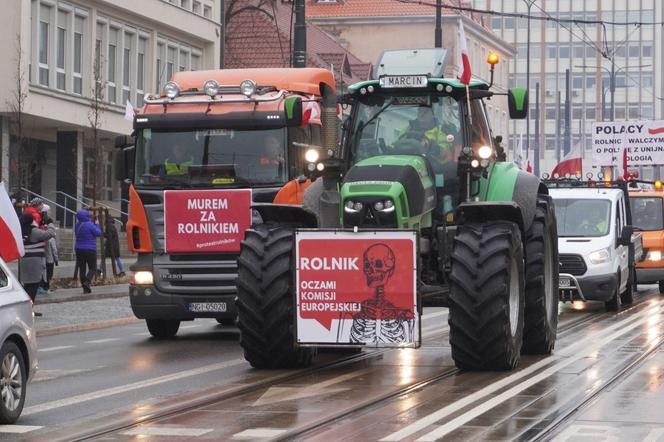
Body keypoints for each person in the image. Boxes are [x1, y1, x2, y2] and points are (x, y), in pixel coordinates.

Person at [19, 213, 55, 315]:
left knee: (27, 286)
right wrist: (50, 223)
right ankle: (28, 310)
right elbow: (49, 234)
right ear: (31, 221)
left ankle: (26, 309)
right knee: (33, 286)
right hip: (34, 261)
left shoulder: (21, 230)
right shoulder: (33, 231)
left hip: (25, 260)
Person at [75, 208, 102, 293]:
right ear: (86, 216)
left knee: (82, 269)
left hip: (79, 249)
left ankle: (85, 289)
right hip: (90, 249)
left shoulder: (77, 225)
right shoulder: (90, 225)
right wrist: (97, 224)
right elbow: (98, 233)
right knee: (93, 268)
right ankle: (87, 282)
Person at [40, 205, 58, 292]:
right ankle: (46, 287)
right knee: (48, 273)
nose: (50, 213)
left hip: (42, 257)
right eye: (49, 211)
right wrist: (56, 259)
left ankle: (43, 286)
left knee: (43, 273)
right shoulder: (50, 237)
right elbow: (54, 249)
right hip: (49, 258)